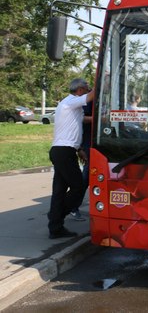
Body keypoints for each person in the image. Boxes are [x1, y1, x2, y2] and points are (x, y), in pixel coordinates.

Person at [47, 78, 94, 239]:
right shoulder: (72, 101)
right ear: (80, 90)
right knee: (78, 187)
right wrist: (103, 79)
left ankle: (55, 228)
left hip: (61, 151)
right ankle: (57, 215)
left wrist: (80, 149)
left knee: (59, 191)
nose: (88, 91)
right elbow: (90, 97)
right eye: (86, 88)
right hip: (64, 152)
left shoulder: (69, 106)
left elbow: (81, 122)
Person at [69, 99, 92, 222]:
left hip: (95, 144)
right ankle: (73, 206)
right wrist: (81, 148)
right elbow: (81, 120)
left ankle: (72, 206)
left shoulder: (105, 97)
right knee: (85, 178)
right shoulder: (88, 102)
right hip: (88, 145)